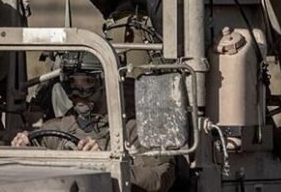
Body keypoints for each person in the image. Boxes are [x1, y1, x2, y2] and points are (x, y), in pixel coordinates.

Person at [11, 52, 175, 192]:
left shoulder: (136, 130)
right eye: (72, 84)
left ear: (105, 83)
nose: (78, 93)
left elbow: (159, 178)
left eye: (88, 83)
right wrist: (25, 147)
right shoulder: (57, 128)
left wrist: (105, 166)